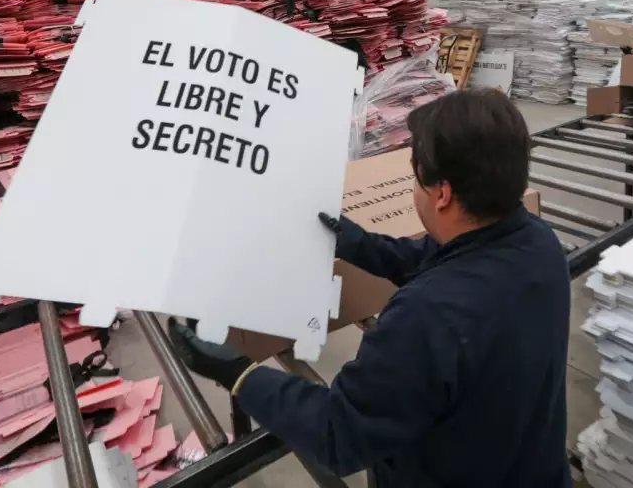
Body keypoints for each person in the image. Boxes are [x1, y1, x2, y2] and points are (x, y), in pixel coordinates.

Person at [170, 89, 573, 486]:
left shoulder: (424, 316)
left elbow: (338, 433)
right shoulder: (538, 241)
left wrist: (240, 374)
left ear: (442, 194)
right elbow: (435, 257)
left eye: (415, 175)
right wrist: (358, 243)